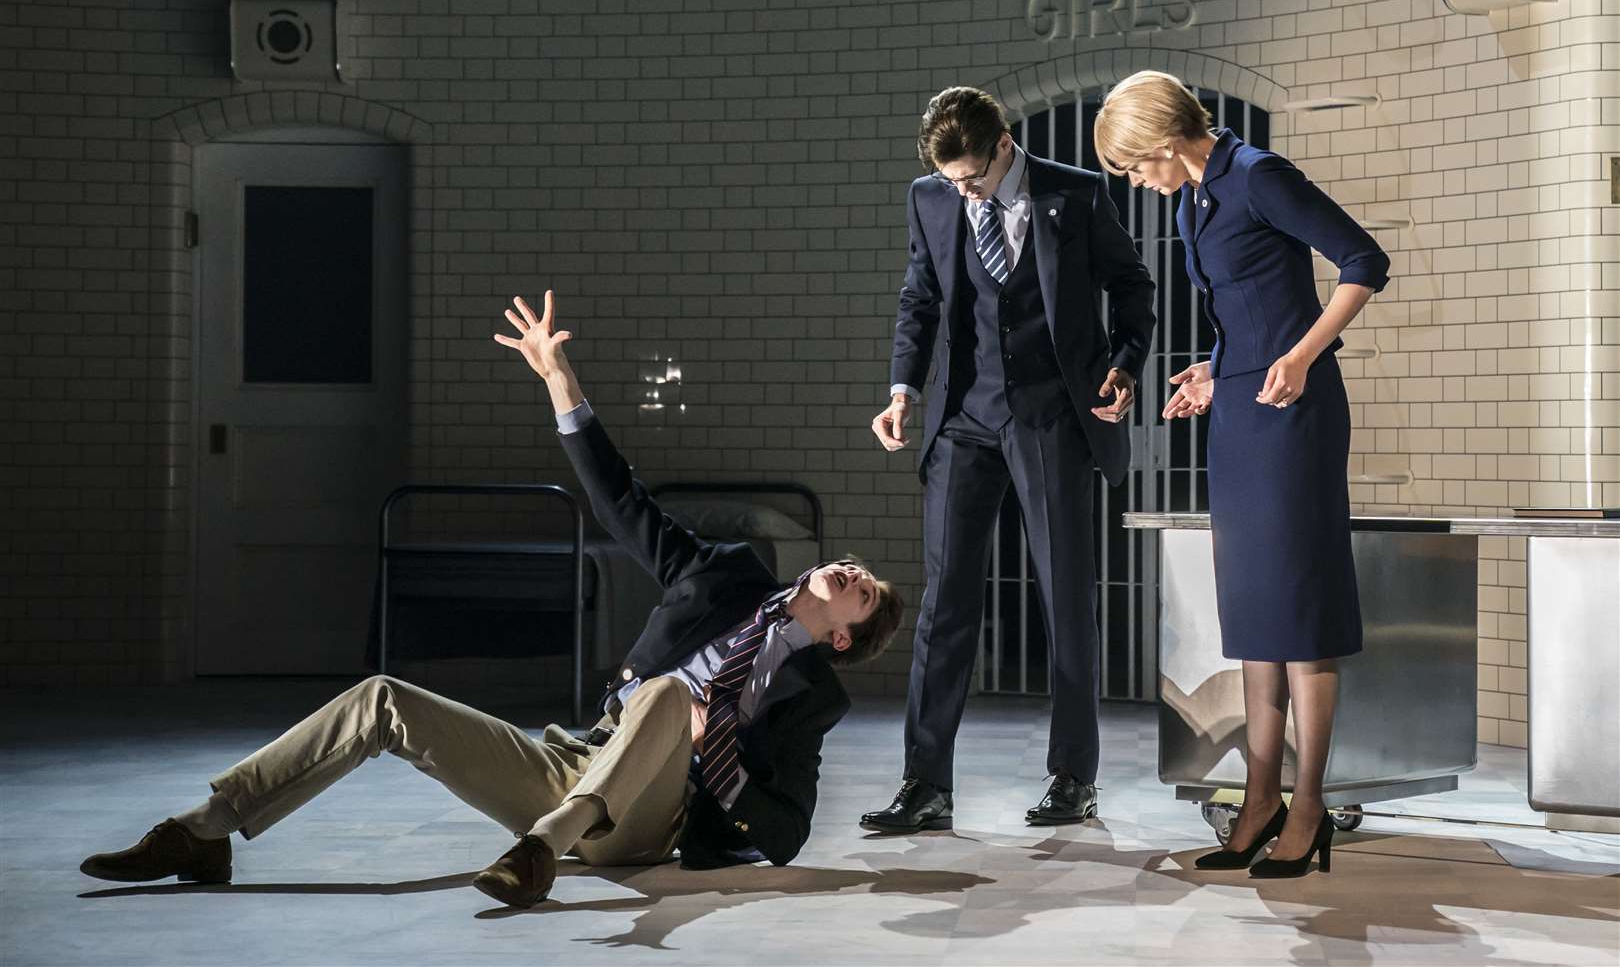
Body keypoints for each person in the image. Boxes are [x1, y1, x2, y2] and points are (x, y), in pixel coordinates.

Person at [81, 292, 904, 907]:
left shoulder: (812, 697)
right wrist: (560, 379)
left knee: (661, 696)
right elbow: (623, 503)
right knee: (381, 700)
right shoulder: (726, 573)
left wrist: (712, 751)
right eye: (855, 567)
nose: (851, 574)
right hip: (577, 763)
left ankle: (542, 852)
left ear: (843, 637)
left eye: (864, 594)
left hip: (658, 813)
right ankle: (204, 830)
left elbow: (787, 831)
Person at [1094, 70, 1390, 878]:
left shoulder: (1257, 175)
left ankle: (1308, 806)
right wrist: (1210, 369)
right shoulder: (1197, 197)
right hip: (1240, 412)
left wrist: (1299, 355)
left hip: (1294, 415)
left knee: (1300, 611)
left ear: (1158, 141)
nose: (1137, 184)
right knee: (1258, 617)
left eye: (1131, 167)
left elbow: (1364, 262)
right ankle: (1259, 800)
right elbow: (1251, 308)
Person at [863, 86, 1156, 834]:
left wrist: (1123, 367)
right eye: (951, 181)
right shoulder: (930, 199)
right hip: (963, 419)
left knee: (1066, 599)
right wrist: (902, 390)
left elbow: (1132, 288)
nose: (962, 192)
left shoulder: (1077, 194)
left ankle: (1072, 779)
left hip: (1053, 416)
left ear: (1004, 146)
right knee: (944, 604)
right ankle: (925, 785)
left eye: (973, 179)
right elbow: (919, 298)